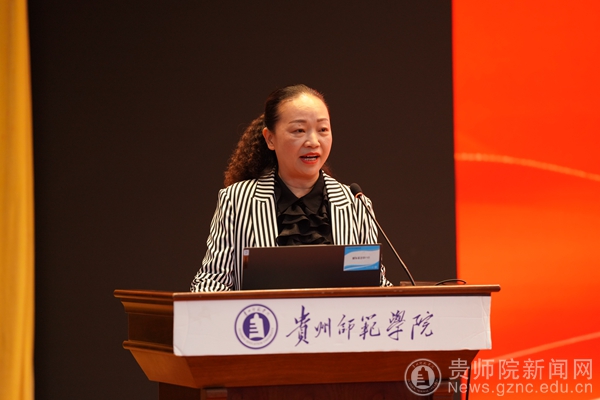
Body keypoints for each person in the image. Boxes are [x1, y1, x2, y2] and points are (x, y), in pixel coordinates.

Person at [190, 84, 389, 291]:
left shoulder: (356, 204)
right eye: (299, 130)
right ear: (270, 139)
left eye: (323, 129)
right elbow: (212, 282)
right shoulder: (237, 201)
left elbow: (375, 285)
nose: (313, 142)